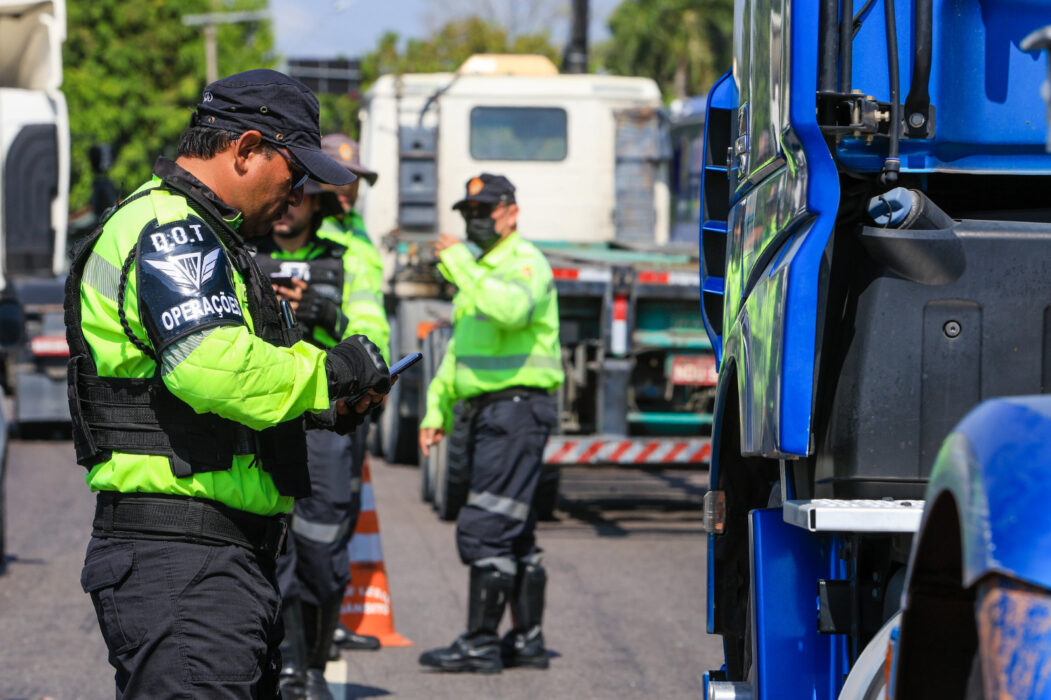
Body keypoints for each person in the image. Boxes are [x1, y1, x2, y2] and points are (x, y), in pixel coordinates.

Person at [67, 69, 391, 698]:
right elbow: (210, 365)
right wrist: (325, 376)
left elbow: (216, 378)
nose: (298, 190)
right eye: (293, 168)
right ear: (245, 148)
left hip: (212, 559)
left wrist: (324, 410)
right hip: (183, 562)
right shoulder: (173, 232)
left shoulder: (208, 233)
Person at [417, 173, 564, 674]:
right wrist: (436, 407)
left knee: (486, 526)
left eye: (485, 210)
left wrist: (458, 262)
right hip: (490, 411)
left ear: (511, 213)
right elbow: (461, 349)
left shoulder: (523, 263)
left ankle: (481, 643)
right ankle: (527, 642)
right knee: (513, 528)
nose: (475, 220)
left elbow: (510, 311)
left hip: (517, 409)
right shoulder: (481, 270)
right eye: (468, 212)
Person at [252, 178, 389, 699]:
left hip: (328, 421)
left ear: (318, 204)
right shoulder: (242, 253)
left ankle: (313, 666)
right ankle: (286, 667)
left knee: (322, 547)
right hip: (263, 416)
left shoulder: (348, 257)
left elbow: (375, 331)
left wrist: (328, 317)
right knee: (271, 545)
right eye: (283, 195)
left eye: (300, 197)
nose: (287, 208)